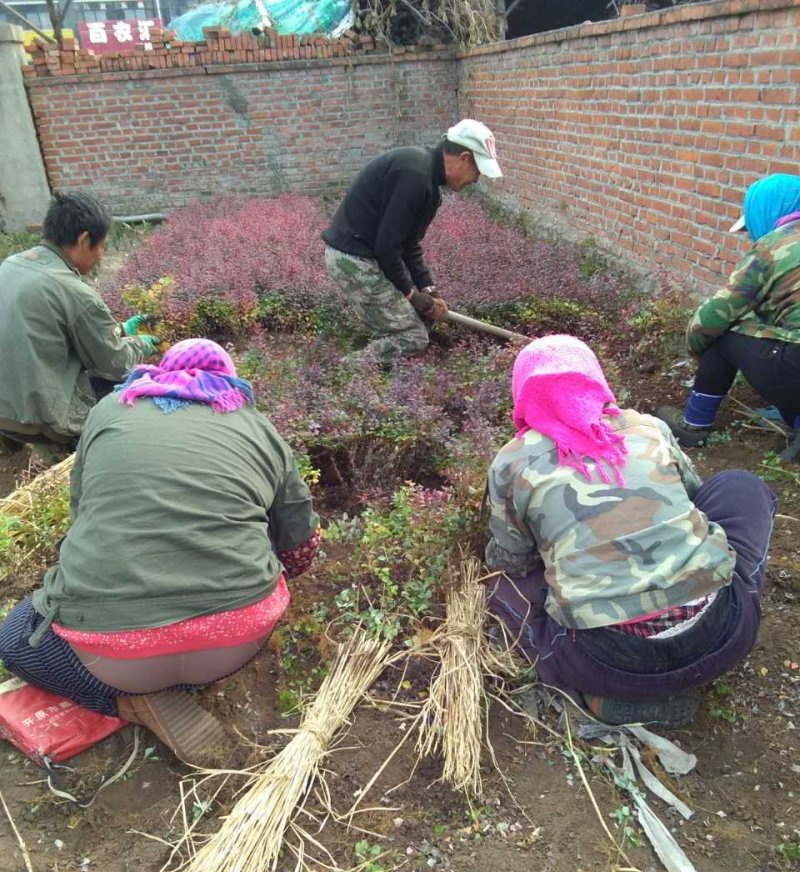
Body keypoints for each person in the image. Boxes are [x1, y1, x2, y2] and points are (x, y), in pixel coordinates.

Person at [0, 339, 320, 764]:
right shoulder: (258, 426)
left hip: (112, 655)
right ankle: (183, 682)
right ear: (225, 379)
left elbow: (82, 520)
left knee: (15, 639)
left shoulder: (112, 410)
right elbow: (299, 542)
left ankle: (129, 701)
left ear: (161, 372)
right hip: (237, 640)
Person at [485, 335, 776, 728]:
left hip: (605, 666)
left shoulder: (512, 462)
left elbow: (511, 558)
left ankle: (600, 697)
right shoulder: (647, 427)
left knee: (502, 590)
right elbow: (694, 495)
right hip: (722, 639)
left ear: (522, 393)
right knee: (742, 485)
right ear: (596, 382)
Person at [322, 119, 502, 370]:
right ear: (463, 158)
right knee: (414, 337)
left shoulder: (428, 183)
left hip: (368, 257)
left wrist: (428, 290)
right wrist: (410, 293)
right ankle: (343, 370)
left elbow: (409, 245)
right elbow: (387, 247)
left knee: (421, 318)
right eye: (478, 171)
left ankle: (396, 344)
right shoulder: (415, 176)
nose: (477, 180)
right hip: (352, 261)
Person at [0, 191, 160, 454]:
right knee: (129, 385)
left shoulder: (12, 264)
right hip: (35, 417)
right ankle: (82, 450)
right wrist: (140, 345)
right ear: (84, 239)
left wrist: (119, 329)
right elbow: (113, 364)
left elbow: (53, 330)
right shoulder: (74, 292)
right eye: (102, 245)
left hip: (5, 406)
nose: (102, 254)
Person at [658, 173, 800, 458]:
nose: (750, 236)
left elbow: (714, 316)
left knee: (723, 334)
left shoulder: (773, 247)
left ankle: (694, 425)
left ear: (768, 210)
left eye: (749, 230)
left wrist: (696, 346)